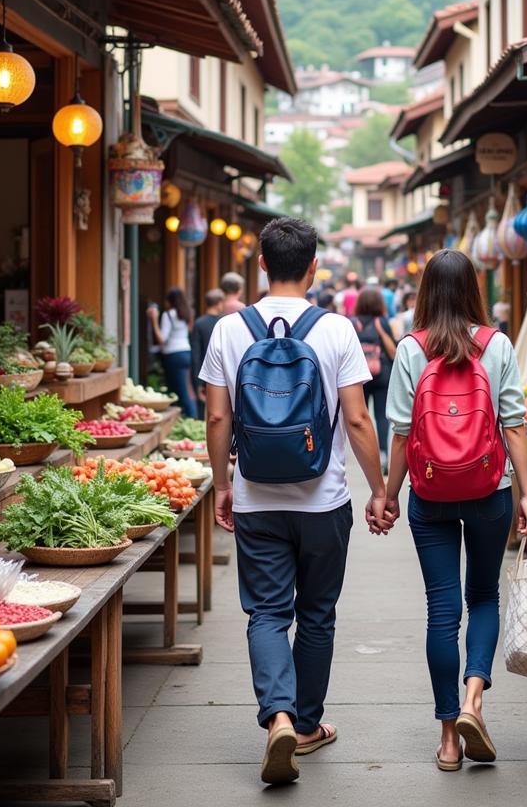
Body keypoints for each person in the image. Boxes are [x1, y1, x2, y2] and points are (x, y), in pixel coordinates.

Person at [200, 217, 391, 786]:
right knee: (316, 614)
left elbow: (216, 415)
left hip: (258, 498)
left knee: (265, 612)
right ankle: (306, 725)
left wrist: (223, 483)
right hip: (324, 500)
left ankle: (277, 717)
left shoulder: (230, 331)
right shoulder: (335, 331)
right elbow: (357, 418)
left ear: (260, 264)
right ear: (314, 267)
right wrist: (380, 489)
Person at [384, 249, 527, 772]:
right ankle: (475, 699)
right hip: (488, 490)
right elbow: (514, 424)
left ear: (425, 290)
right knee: (484, 597)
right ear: (474, 288)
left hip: (430, 494)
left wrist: (388, 494)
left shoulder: (410, 348)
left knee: (441, 612)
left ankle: (449, 736)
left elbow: (402, 433)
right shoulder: (496, 345)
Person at [352, 287, 397, 471]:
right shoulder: (382, 322)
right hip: (382, 375)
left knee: (358, 417)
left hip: (359, 375)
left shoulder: (352, 323)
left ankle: (364, 457)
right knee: (381, 417)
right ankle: (384, 454)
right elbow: (393, 352)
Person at [147, 287, 197, 418]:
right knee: (184, 388)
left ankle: (193, 418)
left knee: (180, 391)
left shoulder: (168, 315)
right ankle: (183, 417)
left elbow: (162, 339)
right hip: (186, 352)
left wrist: (153, 320)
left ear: (169, 301)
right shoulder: (186, 314)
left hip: (173, 355)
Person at [190, 288, 224, 420]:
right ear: (219, 303)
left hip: (203, 372)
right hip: (221, 370)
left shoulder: (199, 323)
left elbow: (196, 353)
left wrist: (197, 382)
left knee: (202, 408)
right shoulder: (224, 322)